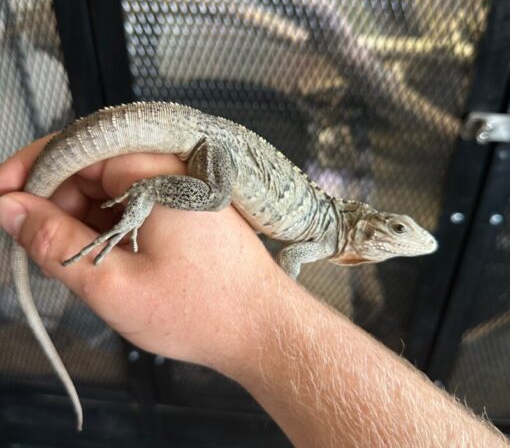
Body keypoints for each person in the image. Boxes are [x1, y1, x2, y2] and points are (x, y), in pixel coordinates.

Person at [0, 136, 506, 447]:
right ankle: (147, 194)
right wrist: (269, 311)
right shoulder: (321, 235)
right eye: (397, 230)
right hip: (216, 146)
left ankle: (146, 194)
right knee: (214, 194)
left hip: (222, 146)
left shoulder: (327, 232)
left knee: (215, 195)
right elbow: (287, 259)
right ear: (372, 223)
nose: (403, 241)